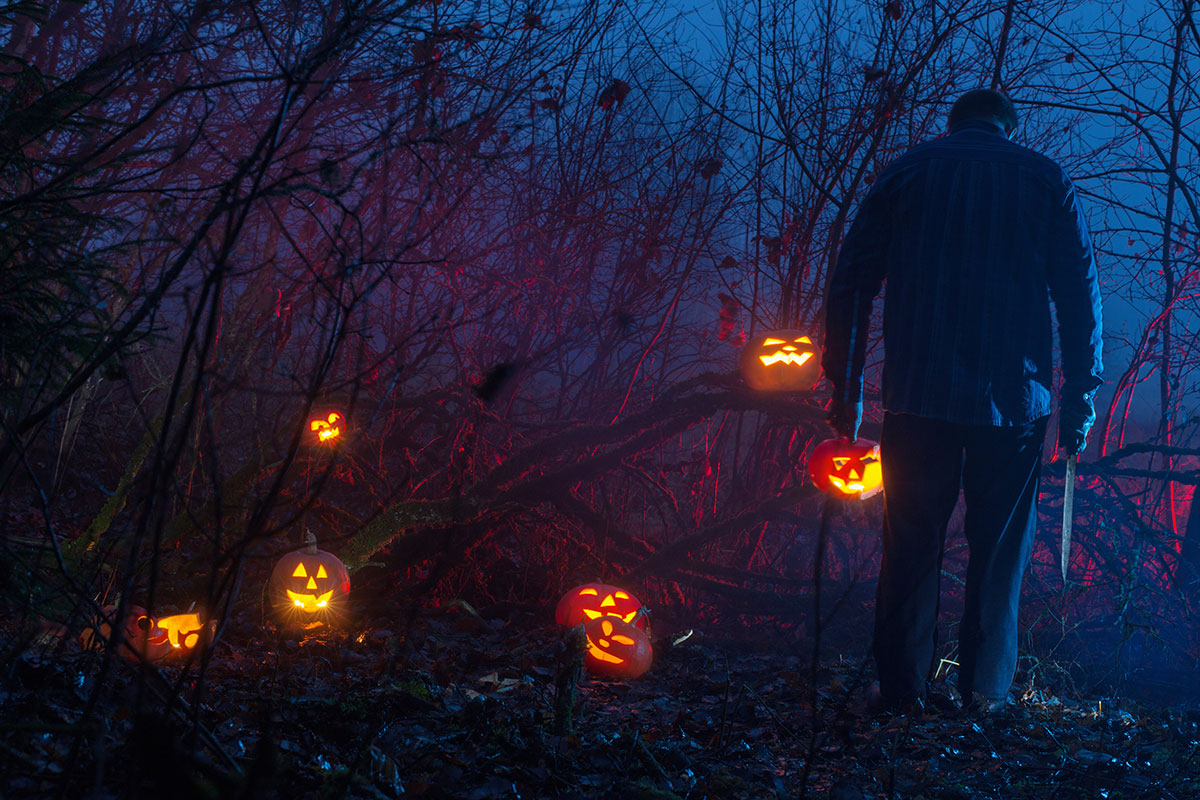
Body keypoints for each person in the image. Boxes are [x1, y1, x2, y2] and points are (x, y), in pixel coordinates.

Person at [822, 89, 1103, 715]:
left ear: (954, 124)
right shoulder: (1044, 177)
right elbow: (1080, 297)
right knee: (999, 553)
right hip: (1014, 404)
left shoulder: (907, 172)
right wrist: (1079, 399)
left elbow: (852, 282)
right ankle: (982, 695)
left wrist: (845, 387)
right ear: (1007, 126)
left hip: (918, 397)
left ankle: (900, 692)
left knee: (910, 546)